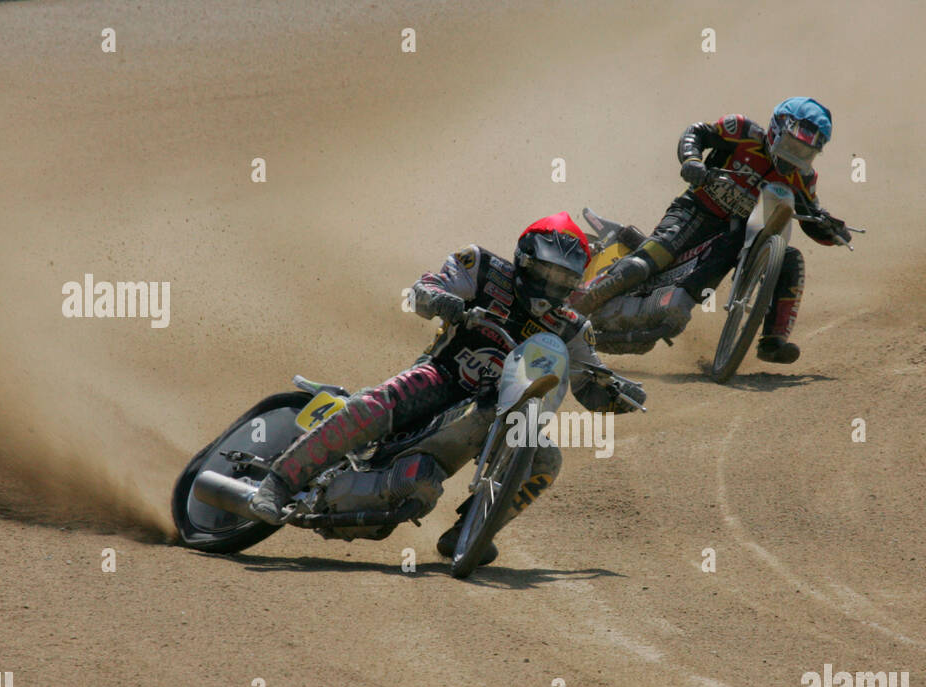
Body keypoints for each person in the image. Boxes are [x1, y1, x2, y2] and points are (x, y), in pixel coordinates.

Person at [248, 213, 646, 564]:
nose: (551, 284)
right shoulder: (484, 267)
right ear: (525, 260)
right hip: (443, 376)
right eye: (546, 272)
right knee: (374, 405)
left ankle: (472, 529)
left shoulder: (573, 326)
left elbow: (589, 382)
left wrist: (617, 394)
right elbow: (422, 291)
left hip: (504, 407)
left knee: (547, 462)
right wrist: (448, 304)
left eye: (563, 279)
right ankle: (279, 481)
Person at [571, 97, 851, 364]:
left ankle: (773, 342)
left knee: (790, 258)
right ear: (776, 129)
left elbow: (811, 218)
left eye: (804, 152)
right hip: (696, 210)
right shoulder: (742, 131)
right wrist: (692, 161)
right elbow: (697, 132)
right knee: (655, 255)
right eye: (791, 145)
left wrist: (832, 229)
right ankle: (580, 302)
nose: (794, 156)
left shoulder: (804, 178)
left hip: (740, 236)